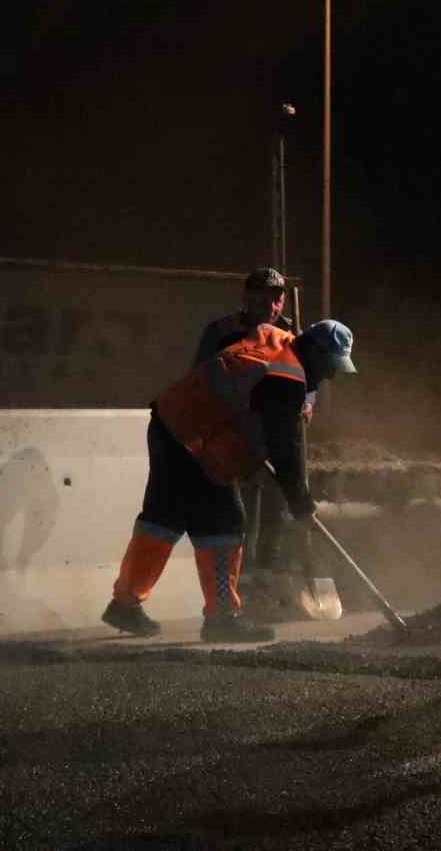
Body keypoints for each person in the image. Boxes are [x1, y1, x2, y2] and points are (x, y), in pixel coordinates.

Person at [101, 319, 357, 643]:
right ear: (316, 352)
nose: (330, 375)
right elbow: (286, 449)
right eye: (330, 366)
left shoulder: (274, 341)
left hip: (170, 423)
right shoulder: (287, 377)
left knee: (163, 517)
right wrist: (301, 503)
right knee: (225, 523)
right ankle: (222, 618)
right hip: (196, 439)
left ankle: (124, 603)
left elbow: (242, 394)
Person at [192, 268, 312, 584]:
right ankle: (239, 579)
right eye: (263, 299)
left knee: (281, 500)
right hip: (237, 431)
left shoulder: (293, 332)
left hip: (278, 428)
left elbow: (310, 377)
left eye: (277, 300)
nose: (271, 307)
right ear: (246, 299)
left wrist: (308, 399)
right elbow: (201, 378)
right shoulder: (221, 332)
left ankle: (270, 573)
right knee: (243, 505)